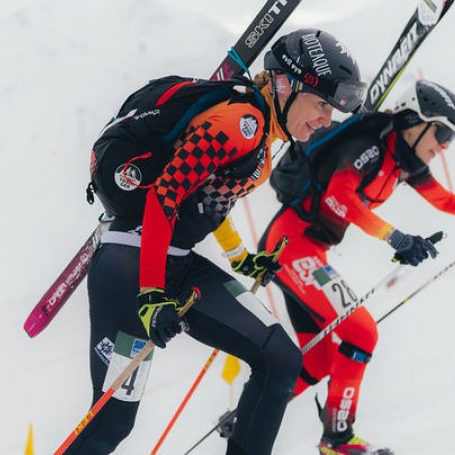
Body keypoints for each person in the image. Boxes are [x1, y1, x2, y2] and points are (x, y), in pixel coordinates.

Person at [69, 29, 368, 455]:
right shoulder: (240, 123)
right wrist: (151, 293)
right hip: (131, 268)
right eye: (321, 104)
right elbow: (166, 194)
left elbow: (209, 201)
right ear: (284, 85)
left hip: (174, 263)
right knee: (112, 423)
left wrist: (242, 258)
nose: (326, 119)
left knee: (279, 357)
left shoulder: (262, 139)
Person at [260, 80, 455, 455]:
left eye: (452, 139)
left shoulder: (404, 163)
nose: (444, 145)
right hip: (291, 247)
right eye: (443, 132)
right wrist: (395, 238)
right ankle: (338, 440)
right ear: (414, 120)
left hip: (310, 251)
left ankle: (249, 413)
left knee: (317, 361)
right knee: (361, 333)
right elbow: (338, 196)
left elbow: (446, 201)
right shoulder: (370, 148)